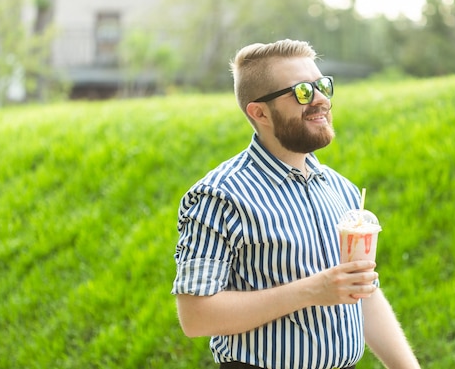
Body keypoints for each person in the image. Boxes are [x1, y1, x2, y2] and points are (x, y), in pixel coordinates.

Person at [171, 39, 422, 369]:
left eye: (322, 86)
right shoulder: (219, 196)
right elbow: (196, 316)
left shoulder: (341, 190)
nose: (320, 100)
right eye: (302, 92)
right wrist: (312, 290)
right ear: (259, 112)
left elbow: (364, 293)